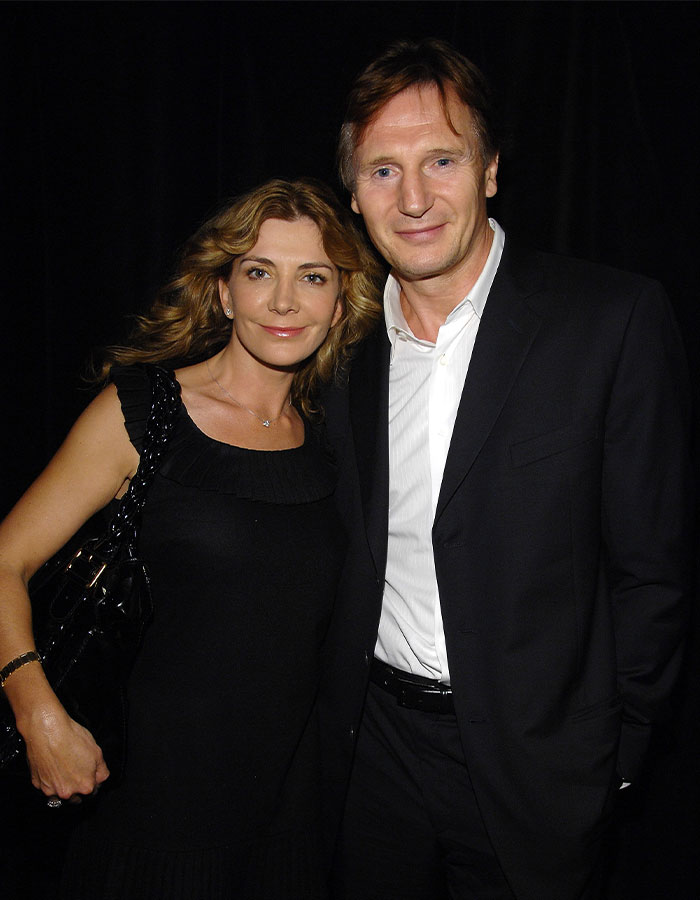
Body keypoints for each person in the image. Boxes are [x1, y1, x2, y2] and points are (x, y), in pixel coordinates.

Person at [318, 39, 694, 900]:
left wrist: (615, 755)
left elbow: (654, 570)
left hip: (538, 772)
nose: (413, 198)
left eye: (441, 159)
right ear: (353, 193)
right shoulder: (339, 346)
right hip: (368, 759)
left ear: (489, 170)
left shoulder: (612, 321)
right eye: (383, 170)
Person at [0, 177, 381, 899]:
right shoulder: (145, 412)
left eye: (313, 277)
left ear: (339, 303)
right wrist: (39, 715)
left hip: (292, 822)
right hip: (147, 815)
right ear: (223, 290)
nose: (283, 301)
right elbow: (4, 561)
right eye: (259, 272)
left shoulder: (339, 440)